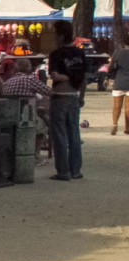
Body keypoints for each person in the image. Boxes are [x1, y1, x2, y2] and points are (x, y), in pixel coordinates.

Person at [47, 20, 87, 181]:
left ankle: (63, 172)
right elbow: (84, 77)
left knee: (60, 136)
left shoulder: (56, 54)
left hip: (59, 97)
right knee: (74, 135)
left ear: (61, 36)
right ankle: (75, 170)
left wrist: (65, 77)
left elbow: (55, 76)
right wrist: (82, 97)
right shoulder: (80, 53)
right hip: (74, 97)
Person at [3, 57, 52, 163]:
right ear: (29, 67)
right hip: (25, 118)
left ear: (16, 68)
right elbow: (49, 92)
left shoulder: (8, 82)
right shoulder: (30, 79)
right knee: (43, 124)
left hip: (9, 117)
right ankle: (35, 156)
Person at [106, 33, 129, 134]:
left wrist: (109, 77)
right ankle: (127, 128)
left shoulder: (118, 52)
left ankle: (115, 124)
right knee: (128, 107)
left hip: (119, 81)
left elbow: (111, 67)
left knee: (116, 106)